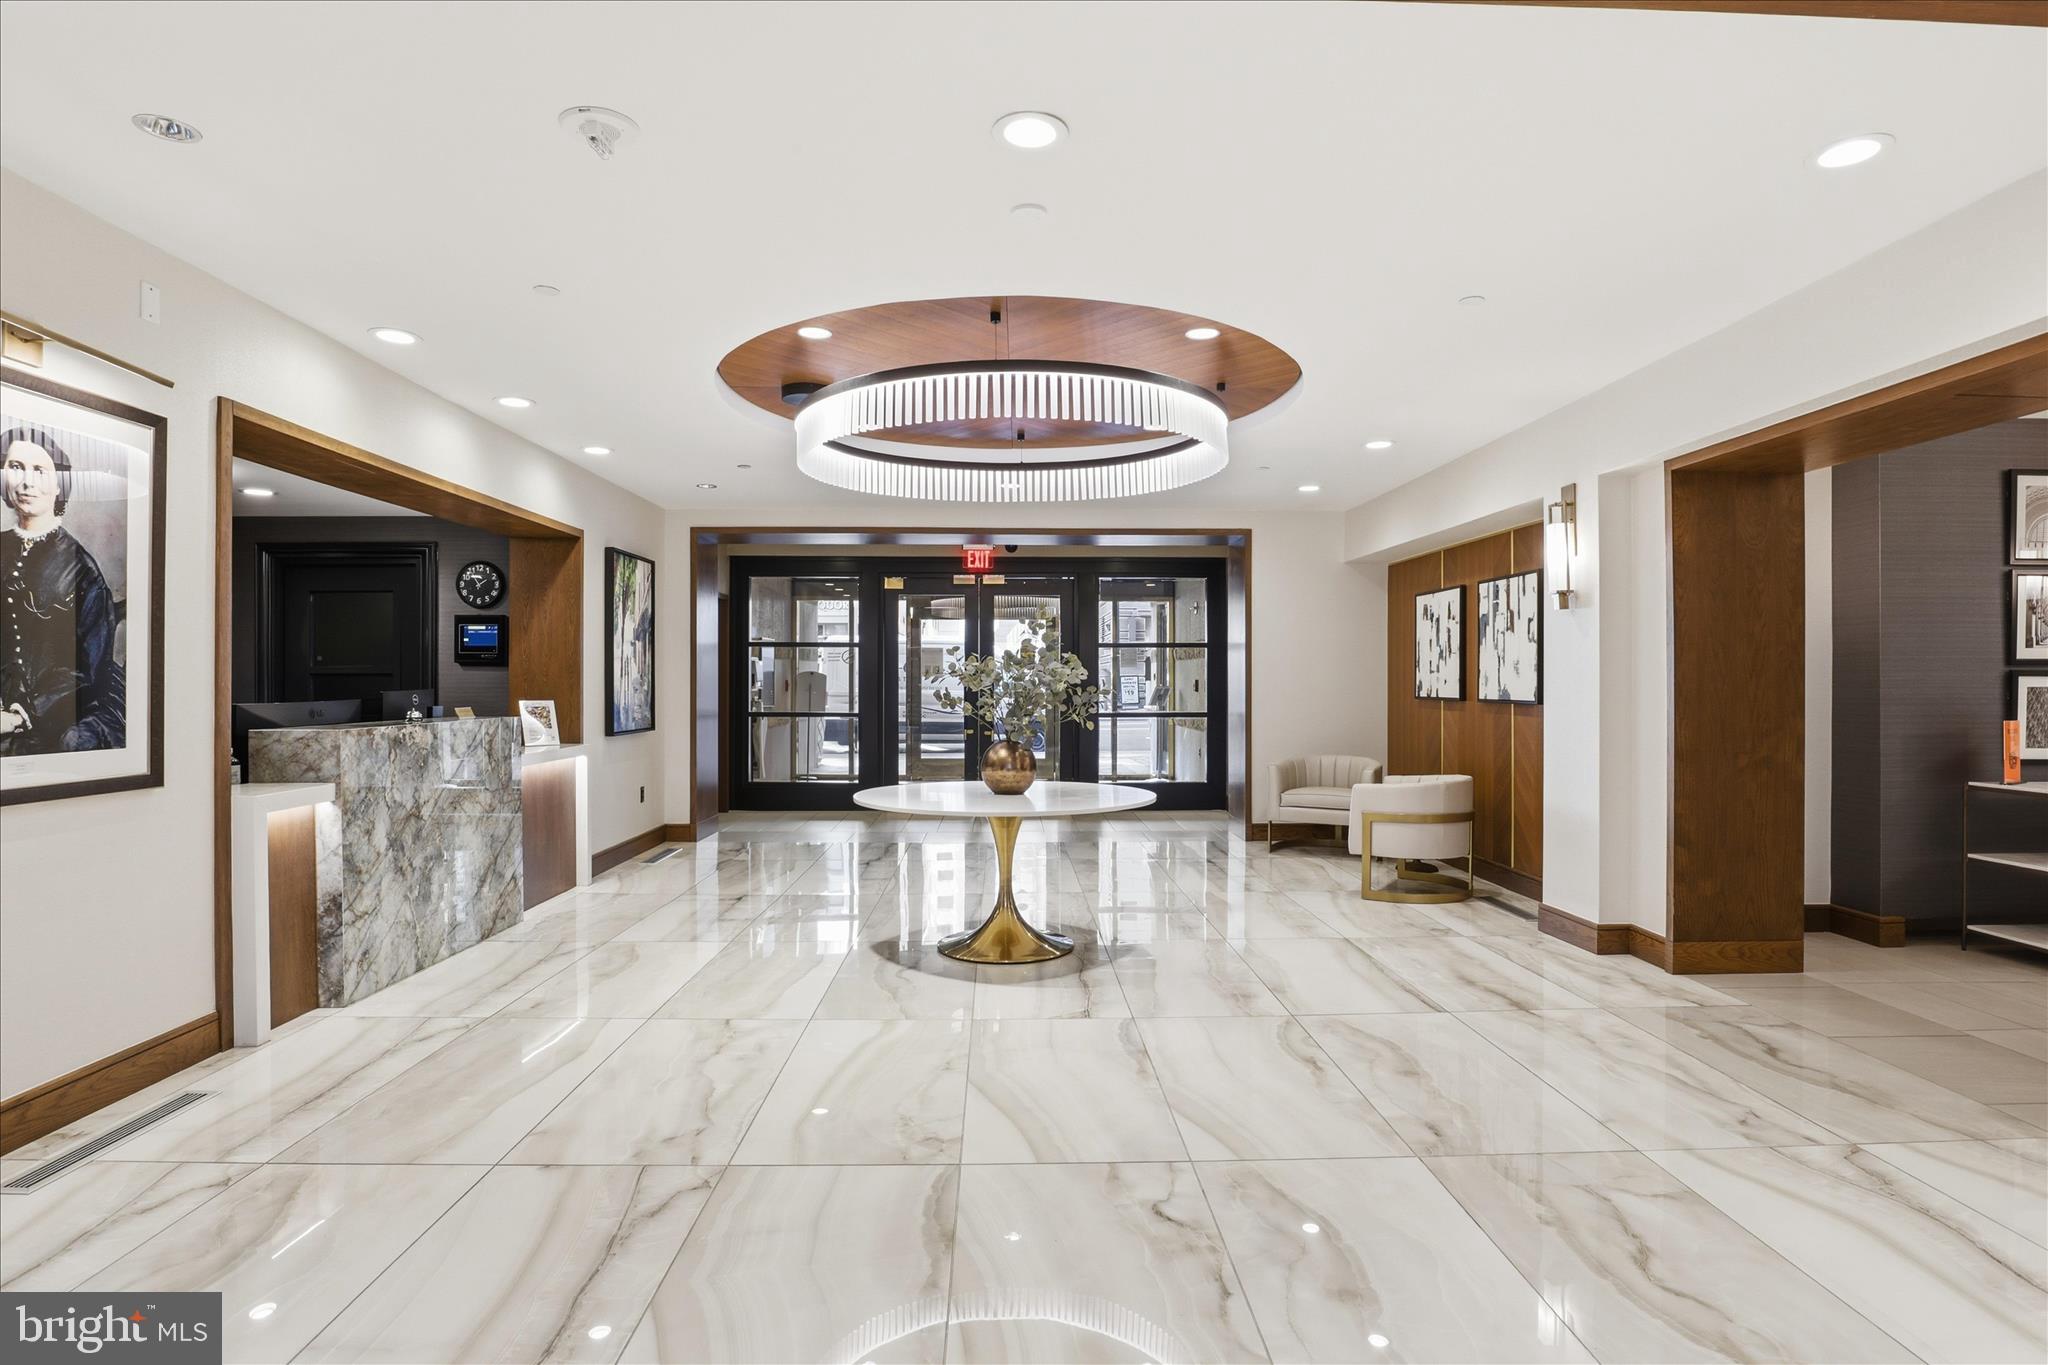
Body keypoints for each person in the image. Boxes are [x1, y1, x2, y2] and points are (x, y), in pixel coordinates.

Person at [0, 426, 125, 754]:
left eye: (40, 471)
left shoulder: (81, 568)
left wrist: (20, 715)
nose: (26, 482)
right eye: (16, 467)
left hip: (63, 712)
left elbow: (91, 669)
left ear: (59, 484)